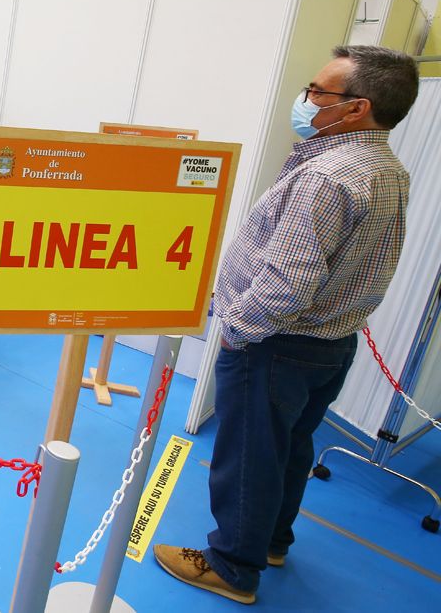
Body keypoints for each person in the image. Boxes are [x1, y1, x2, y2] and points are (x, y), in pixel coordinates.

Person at [153, 46, 419, 604]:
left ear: (356, 108)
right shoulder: (387, 169)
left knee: (248, 454)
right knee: (290, 449)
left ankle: (231, 566)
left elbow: (289, 280)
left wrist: (239, 329)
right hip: (330, 344)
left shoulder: (329, 174)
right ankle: (271, 541)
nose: (306, 100)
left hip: (276, 343)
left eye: (319, 91)